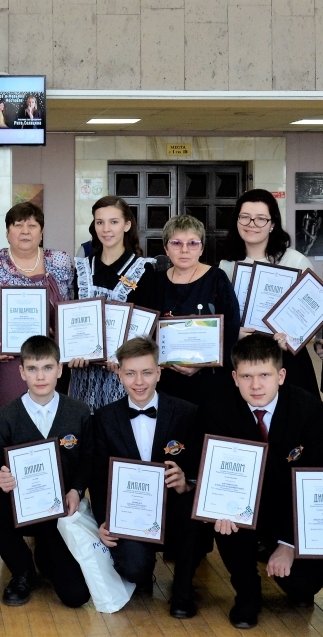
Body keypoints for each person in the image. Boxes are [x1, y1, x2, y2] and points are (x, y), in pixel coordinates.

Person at [201, 334, 323, 629]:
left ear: (281, 375)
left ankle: (275, 549)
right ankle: (247, 594)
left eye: (264, 375)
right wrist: (216, 507)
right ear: (234, 377)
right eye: (247, 376)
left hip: (291, 510)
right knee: (225, 521)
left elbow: (315, 484)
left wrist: (288, 543)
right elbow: (211, 472)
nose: (256, 385)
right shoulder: (216, 409)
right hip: (244, 509)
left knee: (303, 588)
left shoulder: (309, 409)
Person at [91, 337, 204, 619]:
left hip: (174, 508)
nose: (139, 382)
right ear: (119, 373)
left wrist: (186, 481)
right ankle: (143, 566)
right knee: (133, 568)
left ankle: (182, 593)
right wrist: (104, 521)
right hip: (129, 517)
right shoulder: (104, 418)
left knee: (193, 516)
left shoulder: (187, 413)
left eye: (146, 372)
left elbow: (199, 468)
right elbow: (99, 478)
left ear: (159, 372)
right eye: (130, 373)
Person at [0, 335, 91, 608]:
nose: (41, 376)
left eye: (48, 368)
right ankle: (21, 569)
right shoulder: (6, 416)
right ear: (21, 372)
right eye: (32, 369)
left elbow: (88, 460)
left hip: (60, 511)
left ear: (60, 369)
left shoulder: (79, 412)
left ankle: (45, 555)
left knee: (75, 596)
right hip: (20, 507)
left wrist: (76, 490)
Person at [0, 202, 74, 423]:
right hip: (4, 359)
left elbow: (71, 303)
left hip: (50, 358)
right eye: (18, 225)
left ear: (41, 232)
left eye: (32, 225)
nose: (25, 231)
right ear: (7, 232)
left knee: (50, 424)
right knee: (8, 423)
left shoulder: (60, 260)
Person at [219, 189, 320, 399]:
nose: (251, 224)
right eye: (245, 217)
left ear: (272, 223)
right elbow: (222, 313)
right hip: (244, 358)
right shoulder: (226, 265)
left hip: (286, 359)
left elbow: (314, 309)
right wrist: (233, 331)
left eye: (260, 219)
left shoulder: (295, 261)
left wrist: (297, 337)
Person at [70, 196, 155, 412]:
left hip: (125, 373)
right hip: (84, 373)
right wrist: (72, 351)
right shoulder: (82, 268)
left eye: (113, 222)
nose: (106, 229)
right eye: (100, 222)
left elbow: (147, 330)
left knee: (119, 435)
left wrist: (125, 355)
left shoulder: (144, 271)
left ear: (127, 225)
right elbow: (72, 320)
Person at [151, 215, 240, 408]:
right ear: (166, 248)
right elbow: (146, 333)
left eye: (192, 243)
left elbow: (231, 329)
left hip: (210, 382)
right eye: (176, 243)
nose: (184, 250)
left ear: (202, 248)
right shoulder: (155, 282)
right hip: (166, 382)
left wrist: (201, 363)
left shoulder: (217, 278)